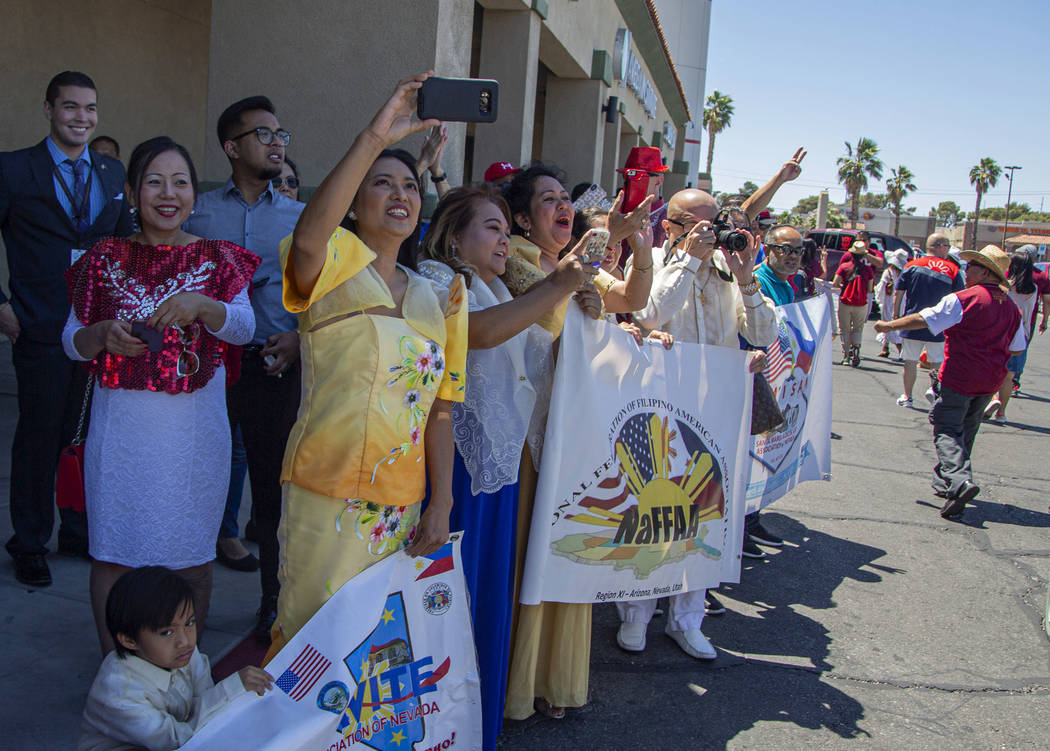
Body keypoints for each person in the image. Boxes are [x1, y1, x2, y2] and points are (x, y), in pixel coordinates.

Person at [268, 73, 464, 658]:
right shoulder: (329, 264)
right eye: (382, 183)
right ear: (355, 202)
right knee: (310, 647)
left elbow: (442, 411)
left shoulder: (439, 297)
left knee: (379, 653)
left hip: (402, 505)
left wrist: (440, 502)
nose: (399, 194)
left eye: (409, 185)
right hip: (323, 492)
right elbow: (308, 238)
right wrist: (378, 134)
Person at [63, 137, 259, 653]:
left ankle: (184, 670)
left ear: (195, 192)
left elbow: (242, 327)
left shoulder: (218, 259)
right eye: (154, 181)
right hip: (123, 435)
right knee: (112, 556)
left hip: (194, 438)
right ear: (131, 192)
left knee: (193, 560)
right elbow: (71, 342)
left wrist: (203, 305)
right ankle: (117, 671)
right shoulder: (102, 258)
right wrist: (100, 332)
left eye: (180, 182)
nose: (167, 193)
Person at [419, 185, 597, 750]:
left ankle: (479, 724)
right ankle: (441, 727)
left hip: (499, 464)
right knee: (453, 601)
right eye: (492, 228)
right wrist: (560, 284)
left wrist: (580, 300)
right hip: (457, 470)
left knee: (489, 597)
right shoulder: (434, 279)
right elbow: (480, 333)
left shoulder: (500, 284)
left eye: (504, 229)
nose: (503, 240)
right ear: (454, 236)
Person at [501, 163, 655, 722]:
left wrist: (636, 239)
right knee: (528, 552)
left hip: (575, 437)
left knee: (566, 549)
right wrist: (608, 233)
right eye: (548, 200)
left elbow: (634, 295)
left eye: (567, 199)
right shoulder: (515, 259)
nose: (562, 207)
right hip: (527, 436)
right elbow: (553, 296)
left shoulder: (576, 264)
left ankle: (550, 679)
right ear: (521, 217)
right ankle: (515, 680)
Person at [625, 188, 774, 660]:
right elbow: (649, 312)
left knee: (709, 514)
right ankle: (637, 616)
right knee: (655, 510)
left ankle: (687, 619)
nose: (710, 232)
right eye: (698, 223)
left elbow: (766, 333)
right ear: (670, 226)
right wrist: (689, 260)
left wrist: (747, 276)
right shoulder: (652, 262)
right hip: (661, 408)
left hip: (717, 410)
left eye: (716, 222)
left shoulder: (732, 269)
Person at [0, 71, 133, 587]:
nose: (82, 117)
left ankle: (77, 530)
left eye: (90, 108)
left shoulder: (110, 169)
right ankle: (29, 542)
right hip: (40, 325)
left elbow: (124, 246)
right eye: (71, 107)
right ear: (50, 110)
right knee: (40, 437)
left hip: (101, 327)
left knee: (88, 434)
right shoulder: (15, 170)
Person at [184, 95, 304, 640]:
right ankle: (179, 607)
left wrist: (301, 339)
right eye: (263, 133)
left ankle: (273, 603)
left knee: (273, 491)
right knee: (196, 483)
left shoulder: (301, 220)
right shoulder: (199, 212)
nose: (277, 142)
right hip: (202, 369)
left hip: (273, 367)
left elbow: (327, 296)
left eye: (281, 133)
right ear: (232, 148)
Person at [874, 246, 1024, 519]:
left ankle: (958, 479)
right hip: (990, 378)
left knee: (946, 429)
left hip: (961, 374)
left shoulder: (966, 298)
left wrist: (889, 326)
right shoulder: (1012, 307)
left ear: (986, 272)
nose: (967, 271)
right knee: (967, 430)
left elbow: (924, 318)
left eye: (973, 266)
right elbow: (1017, 347)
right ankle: (948, 483)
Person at [78, 566, 272, 751]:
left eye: (189, 622)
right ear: (129, 640)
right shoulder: (120, 694)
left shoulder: (183, 652)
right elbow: (178, 742)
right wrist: (231, 689)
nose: (185, 640)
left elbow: (204, 699)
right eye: (167, 632)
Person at [891, 233, 963, 406]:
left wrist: (896, 317)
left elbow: (898, 293)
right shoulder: (952, 270)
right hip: (939, 324)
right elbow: (959, 297)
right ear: (940, 246)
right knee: (937, 363)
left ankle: (907, 397)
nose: (947, 249)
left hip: (912, 321)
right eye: (947, 245)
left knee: (910, 361)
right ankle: (936, 396)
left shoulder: (911, 265)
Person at [984, 251, 1038, 423]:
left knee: (994, 371)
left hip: (1002, 332)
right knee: (1009, 376)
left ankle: (993, 400)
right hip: (1022, 333)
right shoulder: (1033, 289)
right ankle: (1002, 413)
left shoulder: (1005, 287)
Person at [833, 241, 876, 366]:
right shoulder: (868, 269)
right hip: (861, 303)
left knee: (845, 329)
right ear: (863, 255)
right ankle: (856, 347)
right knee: (858, 328)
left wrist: (845, 287)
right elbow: (870, 289)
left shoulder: (844, 267)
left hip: (845, 301)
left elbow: (835, 283)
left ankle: (846, 356)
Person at [755, 224, 803, 306]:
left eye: (798, 251)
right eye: (786, 249)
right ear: (766, 251)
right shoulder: (756, 284)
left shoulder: (787, 286)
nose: (793, 256)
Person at [875, 249, 907, 358]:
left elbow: (881, 288)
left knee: (888, 323)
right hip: (901, 300)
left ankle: (899, 349)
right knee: (896, 323)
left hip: (888, 300)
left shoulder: (888, 272)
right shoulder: (905, 273)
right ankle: (885, 347)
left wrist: (879, 300)